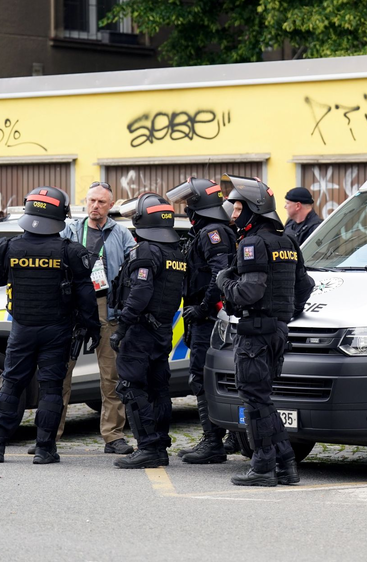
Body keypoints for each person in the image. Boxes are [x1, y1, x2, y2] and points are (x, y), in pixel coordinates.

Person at [216, 175, 314, 487]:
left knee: (254, 400)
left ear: (253, 209)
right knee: (262, 398)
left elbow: (249, 292)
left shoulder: (252, 243)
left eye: (237, 208)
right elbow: (305, 286)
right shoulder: (287, 241)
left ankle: (262, 466)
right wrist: (285, 314)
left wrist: (223, 282)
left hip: (255, 333)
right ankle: (285, 463)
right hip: (276, 332)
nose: (232, 214)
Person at [0, 186, 100, 464]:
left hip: (21, 328)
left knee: (11, 385)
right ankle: (45, 449)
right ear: (62, 214)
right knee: (52, 388)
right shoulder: (70, 251)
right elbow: (86, 297)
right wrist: (93, 328)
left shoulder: (9, 247)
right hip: (56, 330)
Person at [46, 181, 136, 456]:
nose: (95, 206)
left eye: (101, 202)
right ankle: (49, 435)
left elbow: (135, 264)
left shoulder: (121, 234)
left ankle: (113, 436)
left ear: (111, 206)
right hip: (73, 305)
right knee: (61, 372)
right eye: (91, 201)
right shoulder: (71, 229)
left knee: (112, 375)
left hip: (107, 305)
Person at [109, 193, 186, 469]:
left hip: (140, 331)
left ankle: (148, 447)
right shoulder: (175, 252)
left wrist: (123, 327)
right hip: (162, 330)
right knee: (158, 389)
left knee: (131, 387)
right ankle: (160, 446)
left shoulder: (146, 250)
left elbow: (140, 293)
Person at [166, 178, 236, 464]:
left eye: (188, 205)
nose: (186, 211)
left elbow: (220, 275)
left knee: (202, 377)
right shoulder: (208, 230)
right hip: (205, 316)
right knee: (214, 377)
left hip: (209, 316)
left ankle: (213, 442)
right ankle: (228, 437)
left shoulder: (213, 232)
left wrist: (204, 308)